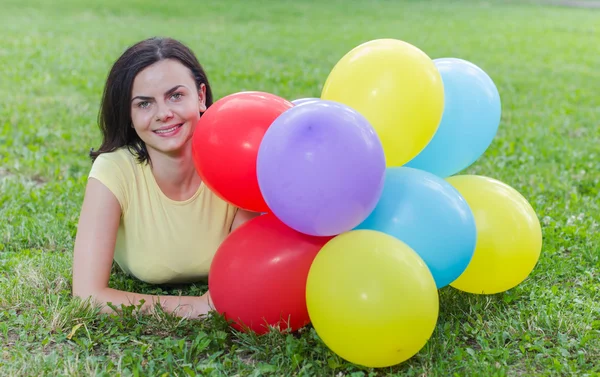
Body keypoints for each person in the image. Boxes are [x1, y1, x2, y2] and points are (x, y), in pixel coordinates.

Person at [72, 37, 259, 319]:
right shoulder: (113, 171)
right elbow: (88, 297)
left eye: (175, 96)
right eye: (144, 104)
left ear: (200, 96)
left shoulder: (239, 164)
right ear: (129, 116)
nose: (164, 114)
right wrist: (195, 307)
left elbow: (244, 280)